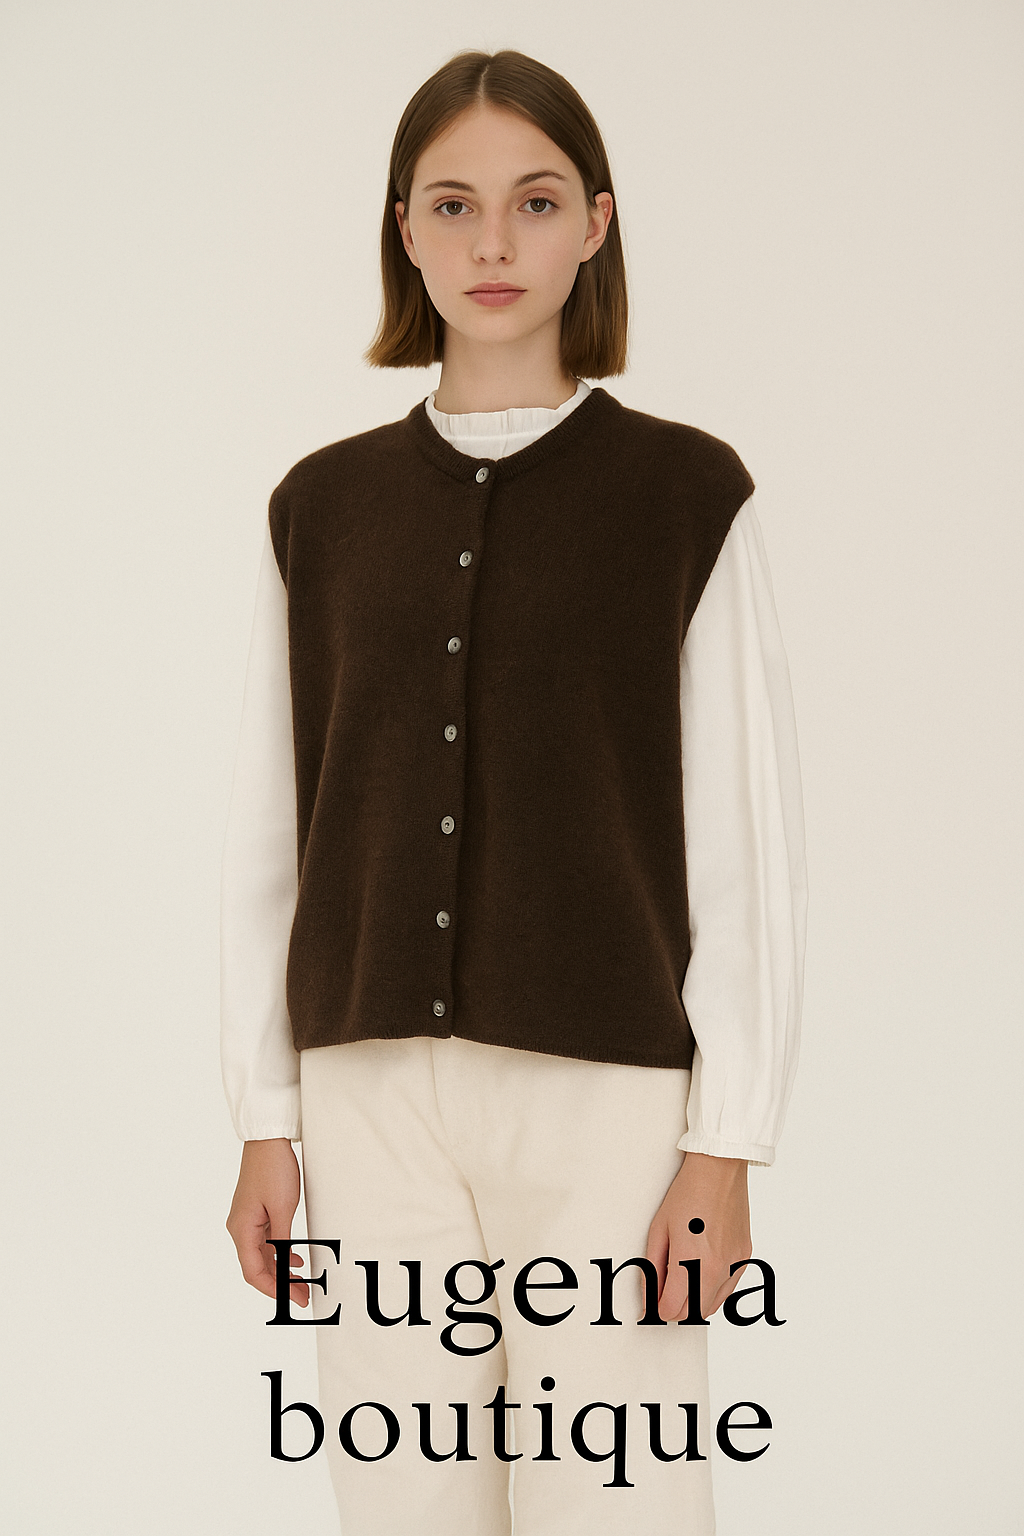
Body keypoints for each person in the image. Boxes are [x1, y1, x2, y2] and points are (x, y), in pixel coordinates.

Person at [222, 47, 806, 1536]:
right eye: (454, 204)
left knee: (624, 1504)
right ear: (403, 231)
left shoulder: (687, 496)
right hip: (368, 1100)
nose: (494, 242)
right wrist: (266, 1116)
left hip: (607, 1106)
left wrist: (727, 1142)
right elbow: (272, 839)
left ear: (596, 225)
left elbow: (746, 844)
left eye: (536, 202)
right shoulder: (319, 509)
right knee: (401, 1508)